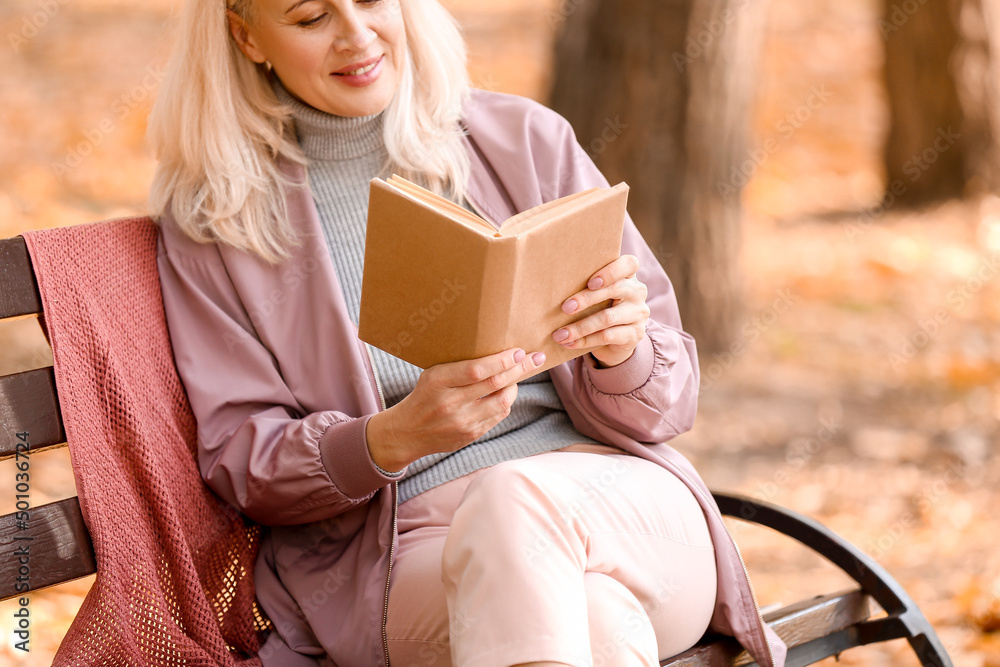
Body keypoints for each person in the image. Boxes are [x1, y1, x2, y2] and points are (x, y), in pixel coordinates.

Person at [148, 1, 787, 666]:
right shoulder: (219, 221)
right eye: (311, 18)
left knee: (510, 501)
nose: (356, 34)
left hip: (617, 505)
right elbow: (243, 460)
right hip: (402, 549)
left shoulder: (523, 140)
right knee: (594, 621)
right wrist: (390, 438)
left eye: (371, 1)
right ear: (247, 37)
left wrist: (622, 350)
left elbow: (671, 402)